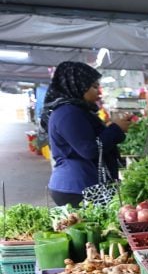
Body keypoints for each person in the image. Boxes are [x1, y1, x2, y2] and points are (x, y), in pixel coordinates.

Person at [41, 61, 132, 207]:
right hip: (78, 188)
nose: (99, 91)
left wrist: (112, 127)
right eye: (94, 86)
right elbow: (89, 149)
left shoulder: (75, 110)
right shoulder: (69, 113)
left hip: (83, 184)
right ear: (78, 86)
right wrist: (116, 129)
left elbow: (86, 138)